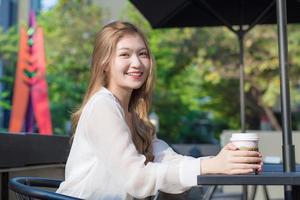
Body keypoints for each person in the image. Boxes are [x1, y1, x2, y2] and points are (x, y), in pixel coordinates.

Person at [56, 21, 262, 200]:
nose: (136, 63)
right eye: (125, 54)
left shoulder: (133, 116)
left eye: (142, 54)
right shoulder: (102, 106)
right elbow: (136, 178)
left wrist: (222, 161)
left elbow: (169, 159)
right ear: (105, 64)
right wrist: (211, 166)